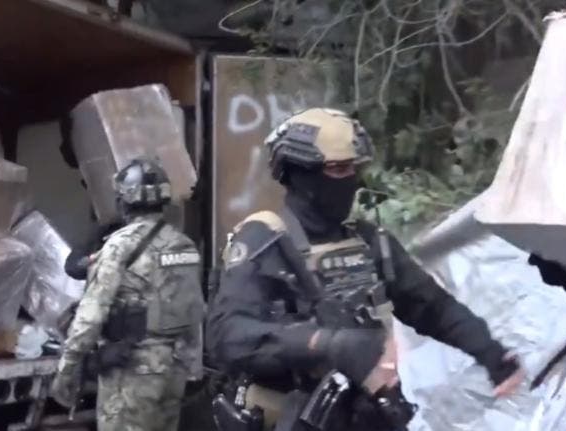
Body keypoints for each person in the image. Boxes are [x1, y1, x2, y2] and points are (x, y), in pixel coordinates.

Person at [206, 108, 525, 431]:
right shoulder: (266, 240)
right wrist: (325, 344)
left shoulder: (368, 241)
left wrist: (490, 353)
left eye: (355, 168)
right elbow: (228, 336)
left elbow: (431, 306)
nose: (352, 179)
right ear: (300, 173)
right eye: (339, 169)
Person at [50, 158, 205, 431]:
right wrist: (193, 366)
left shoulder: (119, 246)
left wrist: (67, 369)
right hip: (174, 370)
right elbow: (194, 311)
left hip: (133, 372)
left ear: (123, 202)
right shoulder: (185, 246)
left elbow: (90, 316)